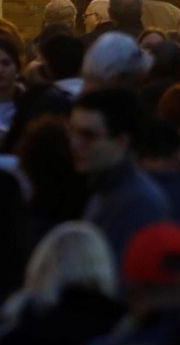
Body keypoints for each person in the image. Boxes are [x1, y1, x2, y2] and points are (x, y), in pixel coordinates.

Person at [71, 88, 172, 260]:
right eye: (73, 132)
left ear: (122, 142)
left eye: (88, 136)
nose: (75, 144)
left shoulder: (139, 204)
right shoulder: (102, 191)